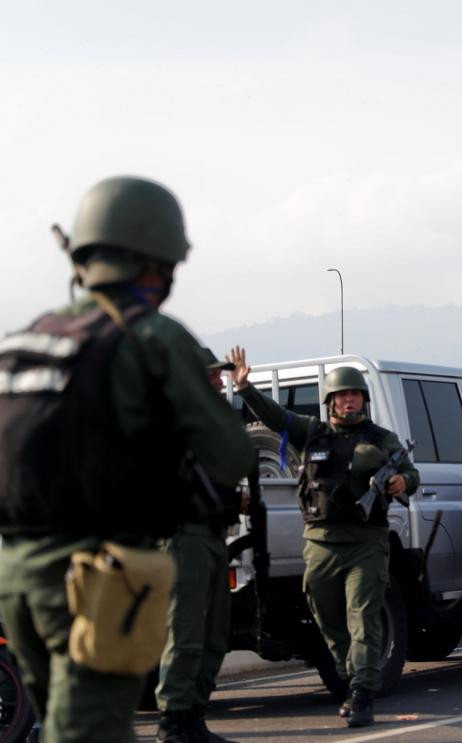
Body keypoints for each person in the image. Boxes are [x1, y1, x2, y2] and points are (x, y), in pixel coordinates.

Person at [0, 176, 253, 742]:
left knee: (60, 725)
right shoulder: (151, 335)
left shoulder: (28, 338)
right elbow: (232, 453)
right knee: (90, 732)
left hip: (15, 574)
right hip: (93, 575)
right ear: (158, 260)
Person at [230, 349, 419, 728]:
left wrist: (402, 482)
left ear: (364, 399)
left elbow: (410, 475)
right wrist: (245, 388)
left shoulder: (383, 440)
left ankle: (363, 692)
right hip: (320, 543)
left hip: (366, 542)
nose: (349, 401)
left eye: (355, 395)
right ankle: (351, 677)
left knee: (363, 615)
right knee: (327, 616)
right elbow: (273, 416)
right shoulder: (311, 432)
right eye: (342, 396)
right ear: (330, 401)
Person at [155, 348, 248, 743]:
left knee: (214, 635)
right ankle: (172, 721)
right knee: (186, 632)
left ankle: (194, 716)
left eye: (219, 376)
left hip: (213, 537)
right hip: (183, 537)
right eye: (211, 376)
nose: (217, 381)